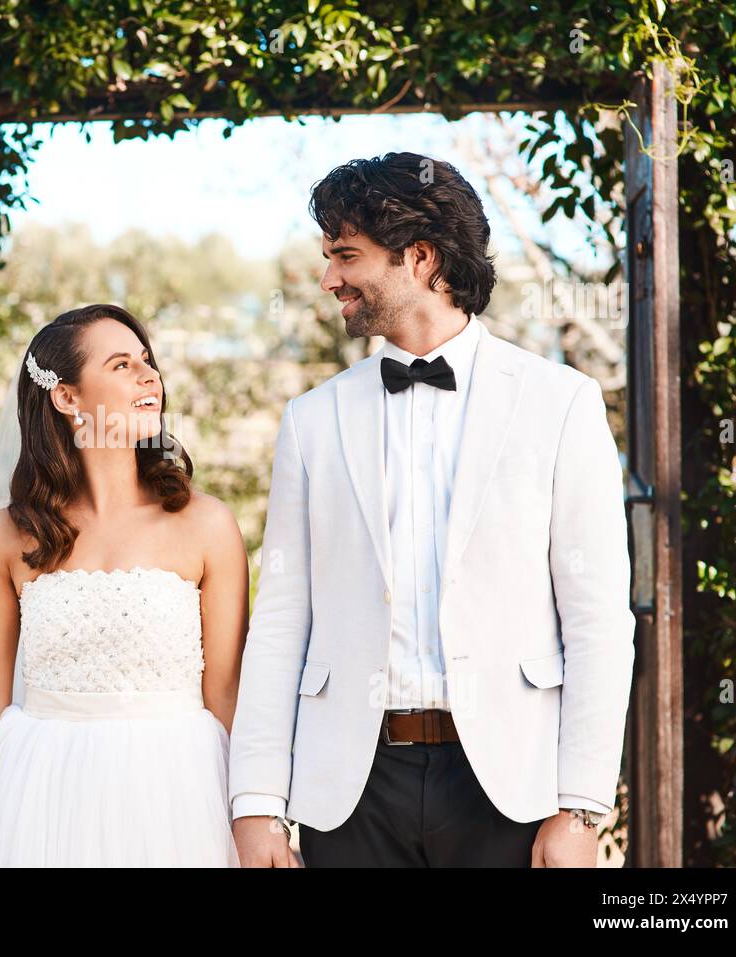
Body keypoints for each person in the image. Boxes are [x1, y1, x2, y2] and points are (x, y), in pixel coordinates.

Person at [229, 152, 636, 867]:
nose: (329, 279)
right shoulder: (311, 420)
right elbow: (282, 617)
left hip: (510, 784)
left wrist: (581, 807)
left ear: (419, 258)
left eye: (346, 255)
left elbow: (599, 618)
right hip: (349, 790)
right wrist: (258, 799)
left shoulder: (560, 403)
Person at [0, 303, 248, 867]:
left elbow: (227, 697)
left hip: (176, 797)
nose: (150, 378)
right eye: (121, 365)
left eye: (147, 362)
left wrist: (253, 820)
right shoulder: (4, 536)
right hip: (40, 794)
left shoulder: (206, 524)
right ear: (67, 397)